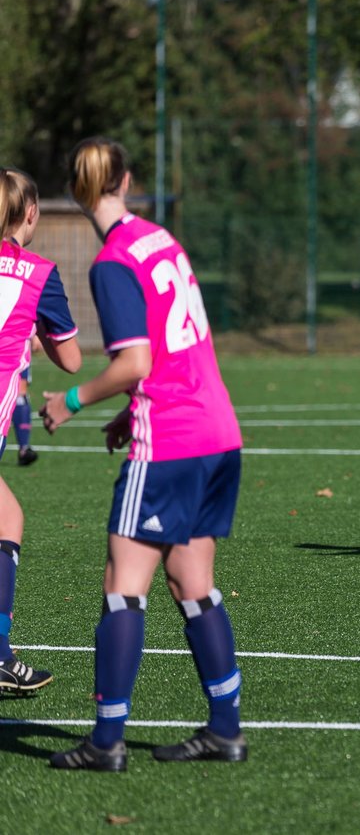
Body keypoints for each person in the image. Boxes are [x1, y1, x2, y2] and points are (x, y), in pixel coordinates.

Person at [44, 137, 246, 771]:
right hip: (219, 433)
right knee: (195, 585)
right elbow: (176, 351)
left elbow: (137, 361)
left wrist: (71, 400)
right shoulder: (161, 240)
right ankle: (225, 730)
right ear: (126, 180)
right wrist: (127, 414)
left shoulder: (111, 263)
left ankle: (105, 742)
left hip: (173, 444)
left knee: (122, 588)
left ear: (76, 191)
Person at [0, 167, 82, 692]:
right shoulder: (37, 273)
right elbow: (72, 359)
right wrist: (40, 330)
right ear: (32, 214)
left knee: (7, 514)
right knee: (7, 519)